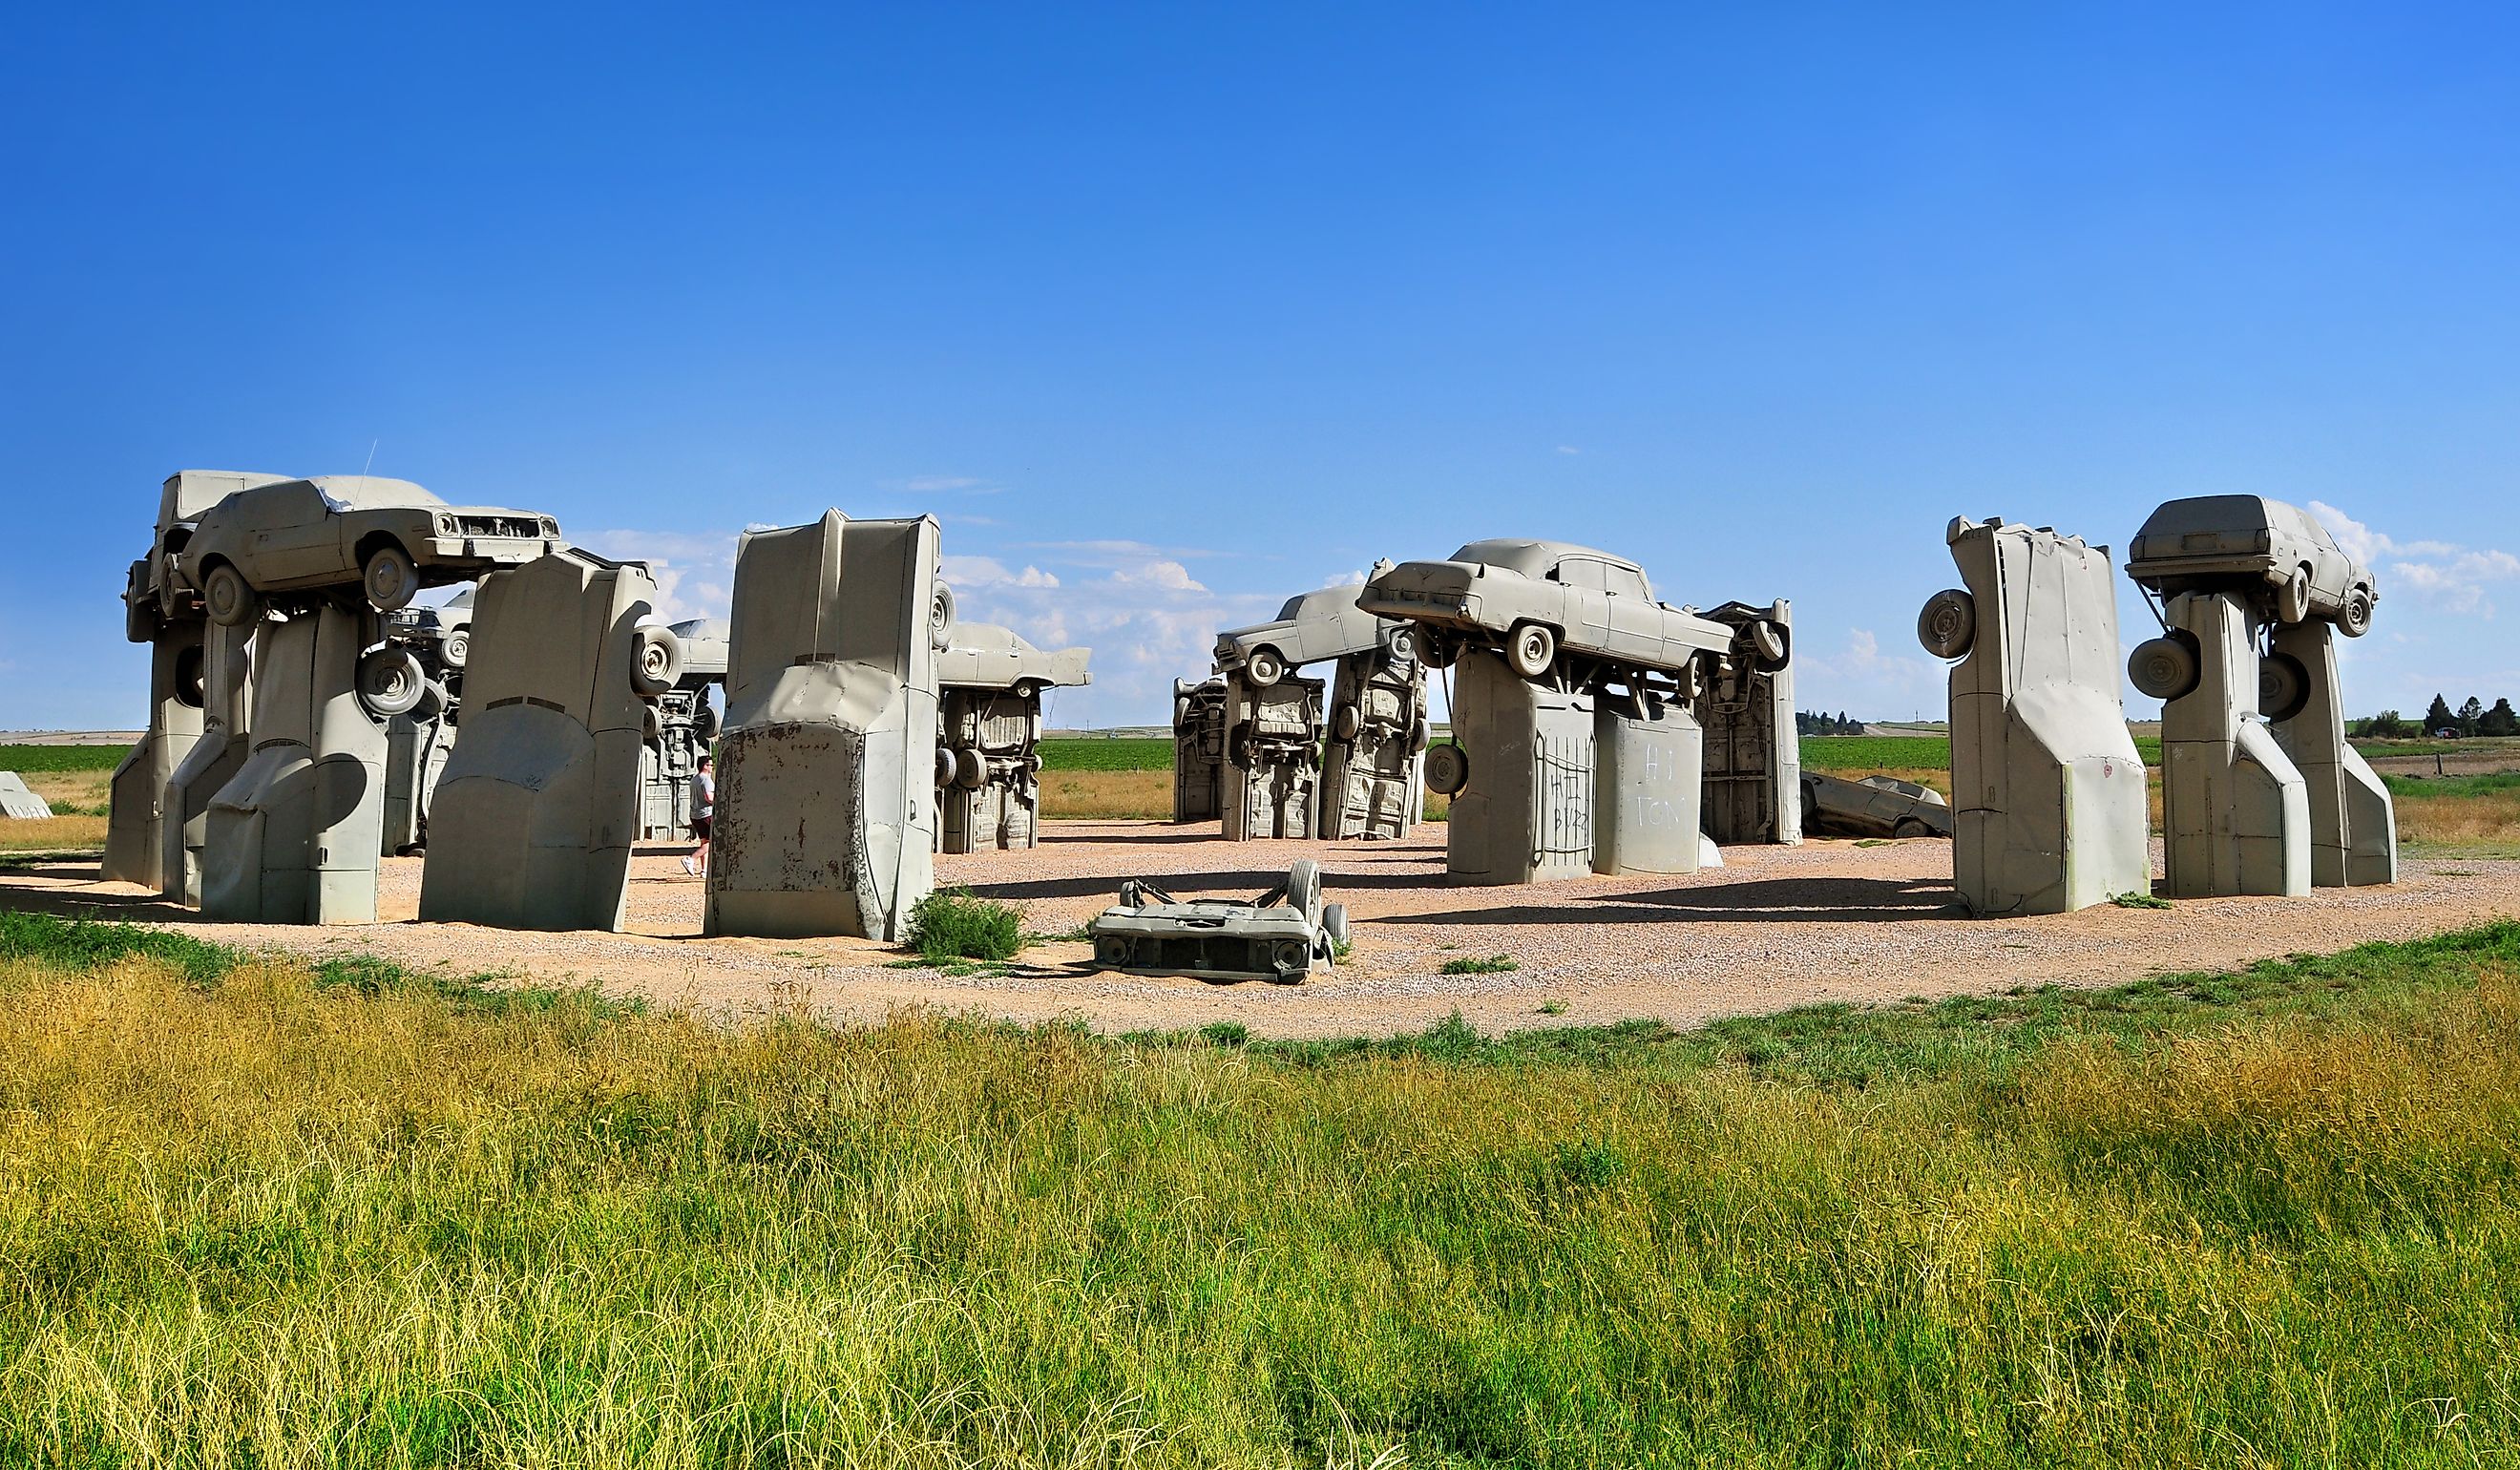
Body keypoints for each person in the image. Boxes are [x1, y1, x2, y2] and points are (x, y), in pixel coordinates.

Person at [682, 756, 715, 876]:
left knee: (704, 841)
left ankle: (703, 870)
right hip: (706, 814)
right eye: (711, 765)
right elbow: (709, 797)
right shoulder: (706, 780)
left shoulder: (694, 779)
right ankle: (691, 859)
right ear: (705, 766)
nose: (712, 767)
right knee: (712, 842)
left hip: (695, 815)